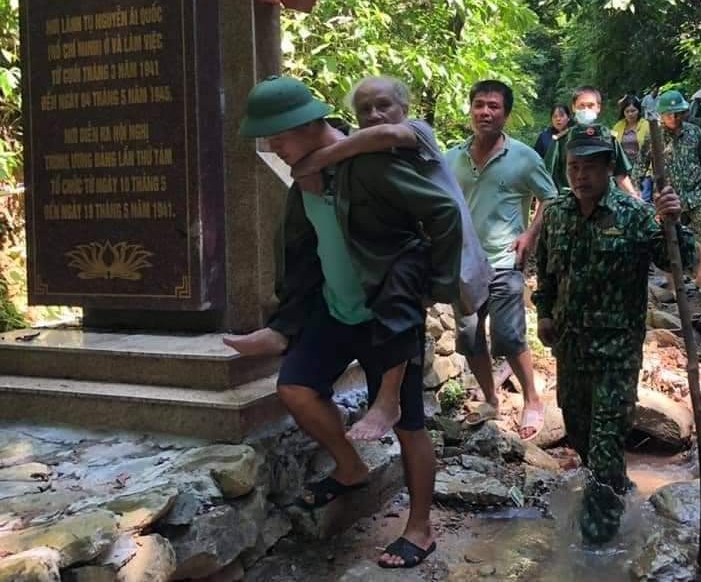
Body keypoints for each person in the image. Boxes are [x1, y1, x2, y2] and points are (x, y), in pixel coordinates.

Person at [229, 75, 461, 569]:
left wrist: (429, 283)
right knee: (294, 387)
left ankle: (420, 527)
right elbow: (300, 247)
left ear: (308, 125)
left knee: (409, 425)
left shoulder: (369, 164)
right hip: (336, 310)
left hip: (387, 311)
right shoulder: (303, 175)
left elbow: (442, 211)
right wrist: (288, 318)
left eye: (279, 136)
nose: (273, 146)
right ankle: (350, 467)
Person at [283, 76, 494, 440]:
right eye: (364, 110)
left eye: (384, 105)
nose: (375, 115)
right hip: (429, 250)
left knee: (416, 304)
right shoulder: (368, 158)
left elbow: (384, 137)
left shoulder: (417, 131)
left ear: (405, 109)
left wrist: (318, 158)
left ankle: (389, 400)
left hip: (452, 254)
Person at [534, 123, 689, 544]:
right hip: (570, 349)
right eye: (573, 166)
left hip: (616, 354)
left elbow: (680, 260)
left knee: (605, 442)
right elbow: (545, 273)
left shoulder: (634, 216)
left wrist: (675, 221)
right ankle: (616, 483)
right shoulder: (557, 213)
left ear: (608, 170)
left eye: (589, 168)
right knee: (580, 433)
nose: (580, 175)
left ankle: (597, 543)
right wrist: (544, 314)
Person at [447, 80, 557, 440]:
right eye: (479, 105)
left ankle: (532, 399)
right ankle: (492, 398)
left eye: (493, 106)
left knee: (508, 336)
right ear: (470, 110)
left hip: (505, 261)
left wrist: (529, 233)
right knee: (469, 338)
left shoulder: (524, 157)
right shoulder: (452, 158)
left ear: (505, 114)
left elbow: (552, 198)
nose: (485, 112)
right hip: (463, 266)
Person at [637, 91, 701, 293]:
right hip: (669, 196)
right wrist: (635, 191)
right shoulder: (654, 137)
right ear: (661, 115)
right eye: (669, 114)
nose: (674, 118)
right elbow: (640, 165)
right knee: (669, 239)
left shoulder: (695, 132)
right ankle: (674, 283)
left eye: (678, 113)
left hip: (698, 192)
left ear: (685, 112)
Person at [543, 86, 640, 198]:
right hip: (571, 203)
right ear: (574, 108)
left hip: (605, 203)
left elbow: (620, 174)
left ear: (598, 107)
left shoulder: (608, 138)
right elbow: (546, 176)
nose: (586, 110)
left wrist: (634, 197)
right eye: (581, 106)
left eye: (590, 105)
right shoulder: (561, 141)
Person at [611, 93, 652, 202]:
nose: (630, 114)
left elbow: (653, 150)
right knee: (627, 199)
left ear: (639, 110)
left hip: (643, 168)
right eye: (627, 111)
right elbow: (612, 144)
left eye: (633, 111)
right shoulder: (618, 126)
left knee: (643, 199)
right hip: (624, 169)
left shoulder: (646, 125)